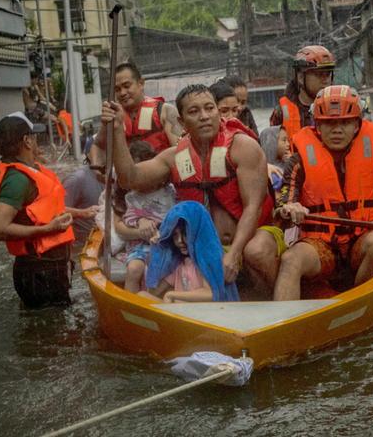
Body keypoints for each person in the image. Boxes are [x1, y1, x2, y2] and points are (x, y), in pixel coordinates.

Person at [101, 84, 282, 292]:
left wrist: (234, 253)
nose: (204, 116)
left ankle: (279, 301)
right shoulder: (173, 157)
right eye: (194, 111)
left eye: (210, 108)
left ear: (218, 112)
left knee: (256, 251)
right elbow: (129, 178)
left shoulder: (244, 147)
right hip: (204, 246)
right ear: (182, 121)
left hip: (255, 236)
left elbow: (254, 207)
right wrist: (116, 130)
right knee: (159, 283)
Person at [273, 86, 373, 301]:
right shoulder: (298, 161)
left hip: (362, 242)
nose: (337, 130)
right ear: (317, 125)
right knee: (291, 259)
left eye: (345, 122)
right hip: (321, 246)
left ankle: (357, 303)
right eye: (329, 123)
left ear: (356, 125)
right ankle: (280, 326)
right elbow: (285, 199)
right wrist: (290, 207)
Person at [0, 112, 95, 308]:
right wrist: (46, 230)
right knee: (52, 330)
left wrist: (81, 212)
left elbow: (42, 209)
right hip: (39, 271)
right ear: (27, 141)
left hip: (47, 268)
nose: (37, 141)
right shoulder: (17, 179)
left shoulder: (30, 171)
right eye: (34, 137)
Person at [141, 201, 240, 303]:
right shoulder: (179, 262)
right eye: (175, 235)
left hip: (202, 314)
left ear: (197, 233)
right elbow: (153, 292)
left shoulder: (207, 259)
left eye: (185, 233)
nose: (179, 241)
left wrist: (172, 295)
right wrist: (156, 252)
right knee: (142, 296)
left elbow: (211, 294)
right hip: (181, 312)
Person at [115, 141, 176, 292]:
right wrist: (141, 221)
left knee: (171, 267)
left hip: (166, 242)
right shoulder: (132, 196)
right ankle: (131, 305)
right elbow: (127, 218)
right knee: (135, 269)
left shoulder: (171, 192)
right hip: (141, 245)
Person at [97, 62, 183, 154]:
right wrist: (104, 126)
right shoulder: (112, 117)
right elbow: (100, 148)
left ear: (141, 83)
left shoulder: (165, 111)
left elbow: (181, 152)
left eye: (127, 86)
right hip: (126, 167)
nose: (122, 93)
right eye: (117, 89)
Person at [270, 45, 335, 145]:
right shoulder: (281, 113)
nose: (325, 80)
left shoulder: (339, 107)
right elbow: (273, 151)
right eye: (319, 74)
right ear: (300, 77)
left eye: (328, 74)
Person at [62, 137, 103, 243]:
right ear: (89, 154)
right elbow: (58, 211)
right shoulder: (76, 179)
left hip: (106, 243)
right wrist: (81, 213)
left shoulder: (114, 176)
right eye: (101, 149)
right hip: (84, 245)